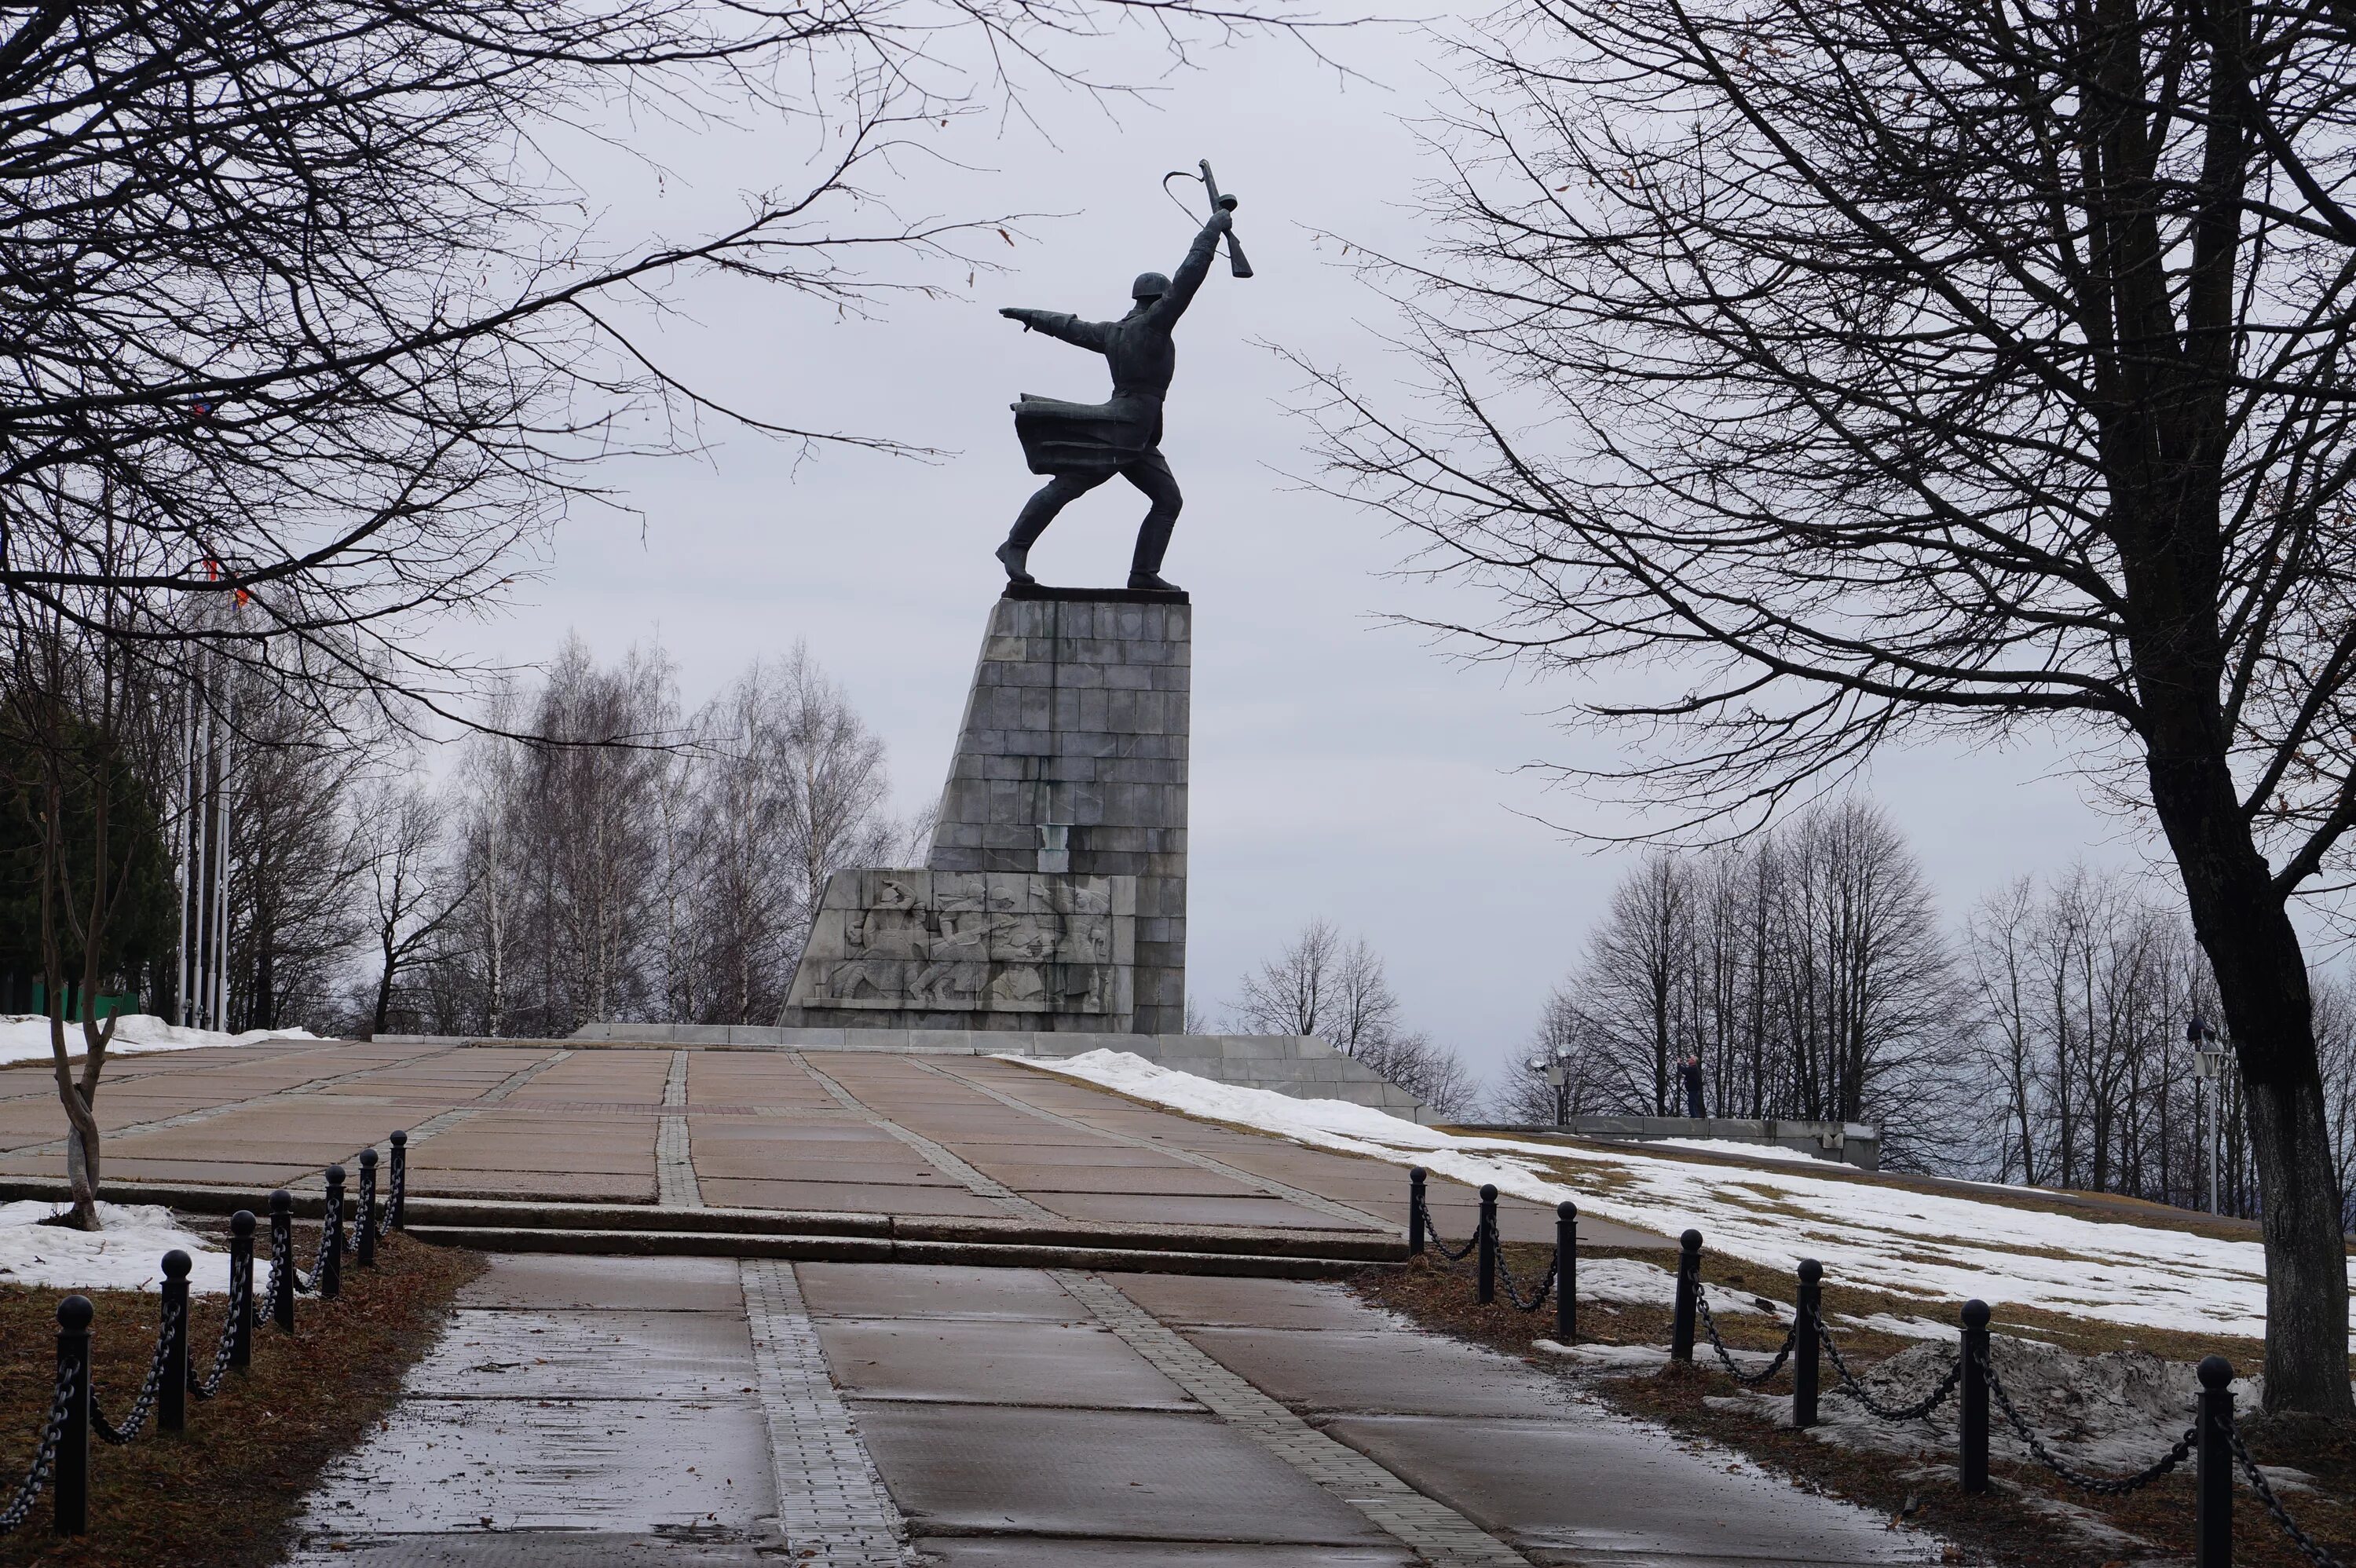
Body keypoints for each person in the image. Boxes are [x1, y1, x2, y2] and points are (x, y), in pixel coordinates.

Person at [994, 206, 1235, 593]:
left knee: (1167, 499)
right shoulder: (1154, 325)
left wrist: (1031, 315)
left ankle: (1142, 574)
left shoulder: (1113, 332)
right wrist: (1211, 232)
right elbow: (1188, 278)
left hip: (1138, 433)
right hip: (1124, 427)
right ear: (1158, 299)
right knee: (1072, 484)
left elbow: (1067, 326)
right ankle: (1015, 545)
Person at [1678, 1053, 1707, 1120]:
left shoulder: (1693, 1069)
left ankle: (1695, 1118)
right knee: (1694, 1104)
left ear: (1694, 1061)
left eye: (1691, 1059)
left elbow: (1684, 1070)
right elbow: (1686, 1070)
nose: (1689, 1059)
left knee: (1691, 1105)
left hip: (1693, 1090)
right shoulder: (1693, 1069)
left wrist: (1678, 1064)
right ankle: (1696, 1116)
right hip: (1693, 1090)